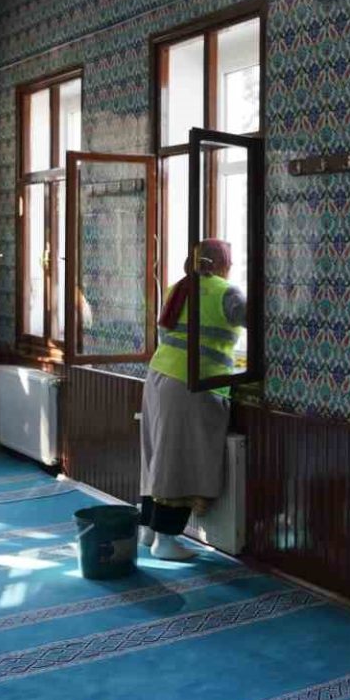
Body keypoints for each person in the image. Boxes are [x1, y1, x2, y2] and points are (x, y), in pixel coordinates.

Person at [138, 239, 246, 561]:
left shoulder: (178, 287)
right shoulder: (227, 293)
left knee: (157, 455)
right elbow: (261, 321)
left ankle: (148, 530)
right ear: (223, 263)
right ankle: (165, 540)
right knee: (178, 461)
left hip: (158, 377)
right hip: (191, 383)